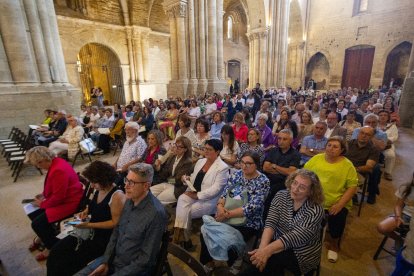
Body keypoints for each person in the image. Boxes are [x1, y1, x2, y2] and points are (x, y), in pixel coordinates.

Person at [74, 163, 168, 276]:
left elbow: (145, 260)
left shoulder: (156, 214)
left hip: (134, 269)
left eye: (132, 182)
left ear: (146, 186)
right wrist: (106, 262)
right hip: (114, 260)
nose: (126, 186)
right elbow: (116, 232)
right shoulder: (130, 199)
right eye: (126, 180)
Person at [47, 161, 126, 276]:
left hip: (101, 239)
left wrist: (88, 225)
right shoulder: (100, 189)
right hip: (89, 231)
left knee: (67, 262)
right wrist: (85, 212)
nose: (92, 186)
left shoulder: (117, 196)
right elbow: (93, 206)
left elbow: (115, 223)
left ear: (104, 179)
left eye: (94, 182)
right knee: (55, 252)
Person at [244, 169, 324, 275]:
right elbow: (271, 222)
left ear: (311, 191)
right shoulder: (281, 195)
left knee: (269, 261)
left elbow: (294, 238)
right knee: (265, 261)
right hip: (277, 241)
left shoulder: (316, 210)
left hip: (301, 252)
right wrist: (262, 249)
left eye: (302, 187)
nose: (295, 189)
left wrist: (266, 251)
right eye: (295, 183)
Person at [200, 152, 270, 272]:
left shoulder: (263, 181)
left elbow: (252, 207)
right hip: (227, 213)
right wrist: (220, 206)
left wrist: (226, 215)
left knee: (228, 242)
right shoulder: (236, 175)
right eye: (242, 162)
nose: (244, 166)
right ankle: (210, 261)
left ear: (257, 165)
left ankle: (235, 259)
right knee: (205, 232)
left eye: (249, 163)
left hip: (248, 221)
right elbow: (225, 193)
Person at [304, 136, 358, 263]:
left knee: (338, 218)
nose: (331, 149)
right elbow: (305, 174)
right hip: (313, 198)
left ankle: (334, 244)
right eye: (329, 145)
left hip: (335, 201)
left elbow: (352, 187)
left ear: (342, 150)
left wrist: (339, 204)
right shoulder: (317, 158)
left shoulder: (347, 165)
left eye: (335, 147)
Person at [25, 146, 84, 261]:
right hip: (66, 198)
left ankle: (51, 247)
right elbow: (54, 186)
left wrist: (42, 204)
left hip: (70, 202)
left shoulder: (58, 170)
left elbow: (59, 197)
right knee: (34, 214)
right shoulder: (57, 162)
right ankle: (44, 236)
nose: (38, 167)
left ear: (43, 160)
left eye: (38, 164)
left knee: (37, 223)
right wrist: (43, 195)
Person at [172, 139, 229, 250]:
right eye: (205, 148)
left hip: (208, 200)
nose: (206, 151)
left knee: (185, 211)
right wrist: (187, 179)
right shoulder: (201, 161)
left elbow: (216, 189)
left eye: (209, 149)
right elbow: (194, 177)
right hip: (193, 192)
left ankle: (180, 236)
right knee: (182, 198)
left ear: (217, 151)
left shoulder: (223, 167)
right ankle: (184, 240)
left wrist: (198, 195)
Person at [263, 129, 301, 217]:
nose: (281, 141)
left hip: (283, 183)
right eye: (279, 138)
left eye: (284, 139)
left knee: (272, 192)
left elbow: (291, 172)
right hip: (268, 179)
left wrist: (275, 166)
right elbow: (265, 167)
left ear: (291, 140)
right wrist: (283, 170)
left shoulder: (295, 154)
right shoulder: (273, 151)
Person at [151, 136, 194, 204]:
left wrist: (167, 180)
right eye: (176, 145)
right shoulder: (173, 157)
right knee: (149, 193)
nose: (176, 148)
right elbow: (165, 174)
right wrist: (158, 167)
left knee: (158, 200)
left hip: (178, 188)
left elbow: (178, 180)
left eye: (179, 147)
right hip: (168, 183)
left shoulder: (187, 162)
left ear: (185, 149)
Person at [113, 122, 147, 187]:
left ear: (135, 130)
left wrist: (127, 166)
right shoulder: (127, 141)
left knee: (114, 185)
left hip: (129, 171)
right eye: (125, 129)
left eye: (128, 129)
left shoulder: (140, 142)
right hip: (119, 169)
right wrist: (115, 163)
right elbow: (122, 153)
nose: (126, 132)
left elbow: (141, 158)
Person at [378, 110, 399, 181]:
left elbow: (395, 137)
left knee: (391, 155)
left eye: (385, 115)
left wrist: (385, 140)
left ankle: (387, 172)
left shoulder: (392, 126)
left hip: (387, 145)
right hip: (374, 144)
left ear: (388, 117)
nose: (383, 117)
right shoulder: (374, 124)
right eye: (381, 115)